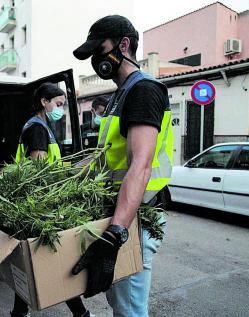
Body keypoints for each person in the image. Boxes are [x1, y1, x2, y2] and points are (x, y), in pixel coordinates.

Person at [71, 15, 174, 317]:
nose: (95, 60)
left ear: (123, 45)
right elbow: (106, 157)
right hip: (122, 214)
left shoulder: (143, 90)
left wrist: (116, 233)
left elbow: (140, 166)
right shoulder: (121, 93)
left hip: (134, 220)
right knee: (120, 305)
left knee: (129, 310)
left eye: (99, 50)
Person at [13, 82, 93, 317]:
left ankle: (19, 314)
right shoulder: (37, 129)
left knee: (38, 263)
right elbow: (39, 172)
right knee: (58, 260)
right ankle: (81, 314)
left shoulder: (39, 126)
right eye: (58, 104)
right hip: (42, 204)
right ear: (43, 102)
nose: (61, 109)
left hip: (36, 201)